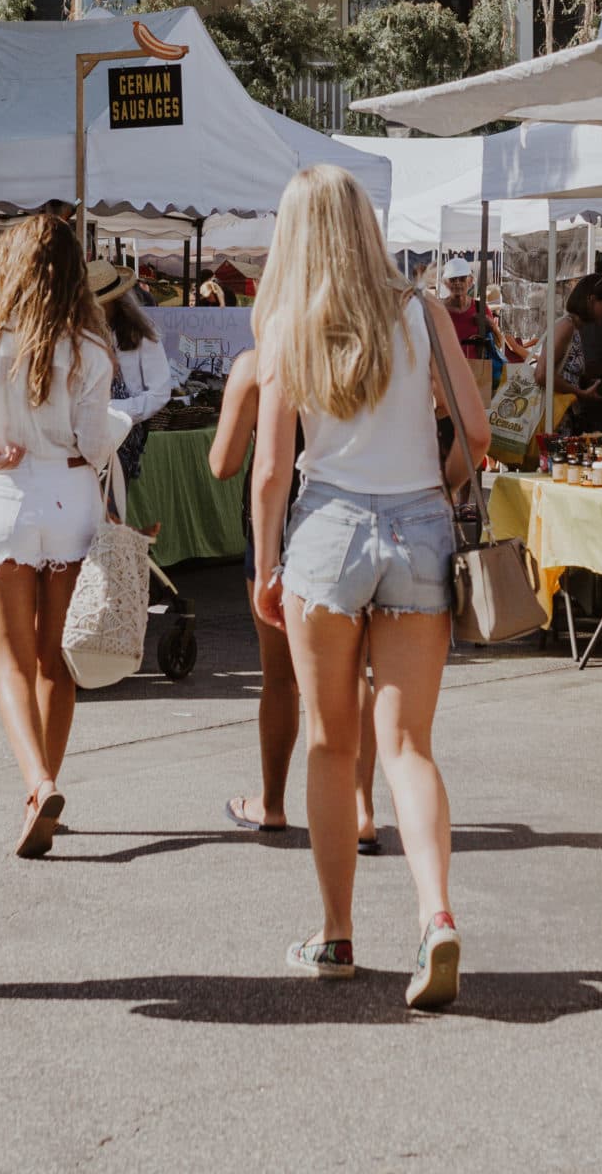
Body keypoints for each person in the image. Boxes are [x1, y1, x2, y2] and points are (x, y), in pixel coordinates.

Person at [251, 164, 488, 1011]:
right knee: (409, 746)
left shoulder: (285, 324)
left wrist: (263, 565)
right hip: (418, 527)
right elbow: (479, 430)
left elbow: (273, 468)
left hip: (326, 535)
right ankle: (436, 915)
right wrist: (439, 490)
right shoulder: (422, 311)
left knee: (330, 743)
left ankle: (337, 934)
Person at [0, 214, 126, 858]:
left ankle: (37, 783)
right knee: (55, 656)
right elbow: (93, 443)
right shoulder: (89, 348)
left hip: (4, 492)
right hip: (69, 495)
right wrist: (110, 427)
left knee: (8, 657)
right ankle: (49, 789)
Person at [214, 347, 381, 850]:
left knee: (280, 678)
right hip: (348, 520)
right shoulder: (362, 355)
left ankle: (272, 803)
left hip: (279, 523)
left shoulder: (258, 363)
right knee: (352, 671)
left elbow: (224, 464)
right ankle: (361, 810)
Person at [91, 259, 178, 470]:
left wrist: (114, 411)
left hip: (124, 437)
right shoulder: (81, 334)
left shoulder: (141, 334)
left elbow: (159, 393)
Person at [541, 273, 602, 433]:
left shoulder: (575, 328)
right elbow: (542, 375)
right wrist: (580, 392)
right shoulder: (566, 327)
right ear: (592, 300)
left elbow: (565, 372)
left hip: (563, 417)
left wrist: (591, 385)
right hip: (554, 420)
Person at [438, 259, 504, 388]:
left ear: (470, 281)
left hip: (476, 374)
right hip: (445, 374)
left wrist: (490, 325)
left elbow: (498, 343)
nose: (457, 283)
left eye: (462, 278)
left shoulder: (481, 308)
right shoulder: (438, 309)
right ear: (445, 283)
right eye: (453, 279)